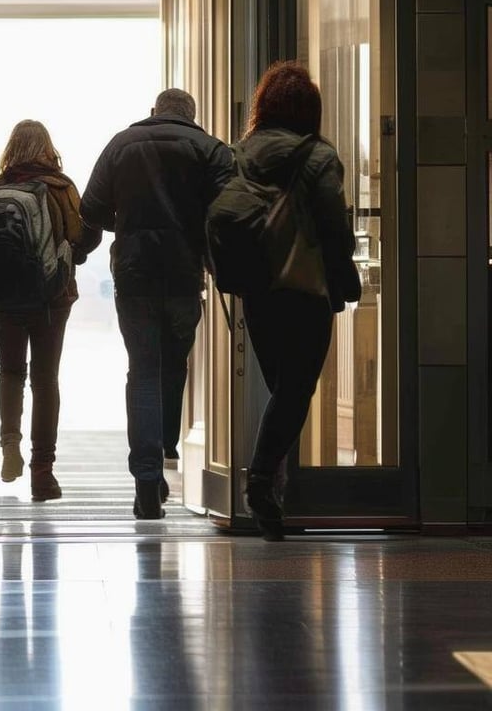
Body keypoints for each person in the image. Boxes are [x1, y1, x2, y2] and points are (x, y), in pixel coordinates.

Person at [80, 89, 234, 519]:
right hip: (185, 274)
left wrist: (126, 224)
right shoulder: (210, 149)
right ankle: (165, 445)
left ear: (153, 112)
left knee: (143, 370)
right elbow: (230, 210)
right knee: (174, 365)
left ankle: (147, 480)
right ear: (192, 116)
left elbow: (89, 209)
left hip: (135, 274)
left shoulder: (121, 145)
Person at [232, 61, 361, 540]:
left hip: (258, 290)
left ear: (263, 106)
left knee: (281, 388)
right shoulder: (320, 157)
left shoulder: (241, 154)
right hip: (306, 287)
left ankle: (271, 490)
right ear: (311, 110)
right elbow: (333, 226)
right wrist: (344, 279)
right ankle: (263, 480)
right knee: (296, 390)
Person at [0, 120, 101, 501]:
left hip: (1, 300)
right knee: (45, 379)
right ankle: (42, 472)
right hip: (50, 300)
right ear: (47, 148)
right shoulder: (60, 188)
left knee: (11, 372)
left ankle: (8, 445)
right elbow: (84, 237)